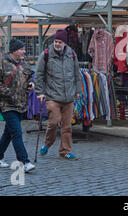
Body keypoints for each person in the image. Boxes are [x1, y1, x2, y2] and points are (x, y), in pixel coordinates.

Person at [36, 29, 81, 160]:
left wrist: (78, 91)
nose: (57, 44)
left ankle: (65, 151)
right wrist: (40, 92)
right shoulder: (46, 54)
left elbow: (76, 74)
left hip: (69, 97)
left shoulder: (72, 54)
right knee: (54, 122)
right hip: (52, 96)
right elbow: (39, 75)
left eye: (60, 42)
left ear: (65, 43)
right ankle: (47, 144)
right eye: (55, 41)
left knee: (67, 127)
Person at [0, 39, 35, 172]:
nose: (24, 51)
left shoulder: (23, 63)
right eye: (21, 49)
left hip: (20, 104)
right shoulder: (2, 63)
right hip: (7, 105)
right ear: (14, 50)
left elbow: (29, 78)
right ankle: (25, 162)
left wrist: (31, 84)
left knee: (8, 133)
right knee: (16, 133)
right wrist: (8, 93)